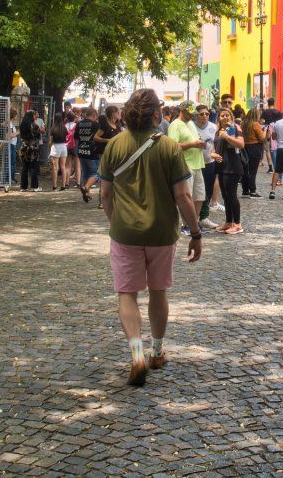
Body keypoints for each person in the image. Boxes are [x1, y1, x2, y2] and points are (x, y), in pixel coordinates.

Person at [99, 88, 202, 386]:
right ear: (157, 114)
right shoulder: (169, 147)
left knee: (127, 294)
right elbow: (183, 197)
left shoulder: (115, 145)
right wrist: (195, 233)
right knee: (158, 292)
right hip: (161, 232)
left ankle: (136, 354)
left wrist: (115, 222)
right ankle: (157, 352)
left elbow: (105, 194)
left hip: (125, 232)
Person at [167, 101, 207, 231]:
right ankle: (185, 224)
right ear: (182, 111)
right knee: (186, 196)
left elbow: (193, 140)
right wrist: (193, 144)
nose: (192, 116)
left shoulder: (190, 123)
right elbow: (173, 146)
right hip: (185, 164)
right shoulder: (175, 125)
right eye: (190, 114)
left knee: (199, 195)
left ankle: (194, 222)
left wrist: (200, 143)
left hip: (197, 163)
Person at [211, 109, 245, 235]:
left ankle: (237, 224)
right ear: (219, 118)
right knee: (225, 195)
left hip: (233, 166)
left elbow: (241, 144)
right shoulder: (218, 130)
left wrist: (227, 137)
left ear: (231, 116)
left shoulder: (235, 127)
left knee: (232, 195)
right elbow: (214, 147)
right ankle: (228, 222)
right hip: (221, 166)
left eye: (227, 115)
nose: (225, 117)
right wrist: (213, 154)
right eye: (222, 115)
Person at [194, 106, 222, 230]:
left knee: (208, 191)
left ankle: (204, 217)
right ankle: (193, 219)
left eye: (207, 114)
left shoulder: (213, 127)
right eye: (202, 114)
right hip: (195, 163)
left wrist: (215, 153)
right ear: (196, 115)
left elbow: (214, 144)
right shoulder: (191, 127)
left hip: (209, 162)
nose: (205, 116)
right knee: (195, 192)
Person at [75, 108, 102, 202]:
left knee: (86, 174)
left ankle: (87, 194)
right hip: (93, 152)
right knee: (96, 174)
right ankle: (85, 188)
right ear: (94, 115)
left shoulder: (79, 123)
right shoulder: (96, 125)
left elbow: (76, 137)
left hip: (82, 151)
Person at [240, 109, 265, 198]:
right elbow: (262, 138)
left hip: (244, 148)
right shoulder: (255, 124)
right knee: (253, 170)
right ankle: (253, 191)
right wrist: (264, 131)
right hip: (254, 148)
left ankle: (245, 190)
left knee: (245, 169)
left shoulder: (243, 124)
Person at [18, 110, 43, 192]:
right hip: (33, 149)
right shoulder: (35, 126)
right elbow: (39, 137)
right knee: (33, 168)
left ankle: (23, 187)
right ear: (31, 116)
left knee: (24, 167)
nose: (35, 116)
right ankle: (35, 187)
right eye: (33, 115)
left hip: (24, 148)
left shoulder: (22, 125)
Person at [49, 113, 70, 191]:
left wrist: (50, 147)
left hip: (55, 147)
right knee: (63, 166)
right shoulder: (64, 128)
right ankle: (63, 185)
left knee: (55, 167)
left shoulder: (53, 128)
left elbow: (50, 140)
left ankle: (54, 186)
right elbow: (67, 137)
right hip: (64, 147)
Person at [261, 99, 282, 173]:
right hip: (276, 133)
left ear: (268, 103)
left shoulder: (265, 112)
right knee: (276, 148)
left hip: (267, 132)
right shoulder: (278, 112)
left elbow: (262, 122)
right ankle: (277, 164)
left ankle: (270, 167)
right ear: (274, 103)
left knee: (267, 150)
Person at [64, 109, 79, 187]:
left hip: (67, 146)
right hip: (75, 145)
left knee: (68, 165)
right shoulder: (77, 125)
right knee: (77, 164)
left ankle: (66, 182)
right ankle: (78, 182)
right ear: (74, 118)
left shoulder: (65, 126)